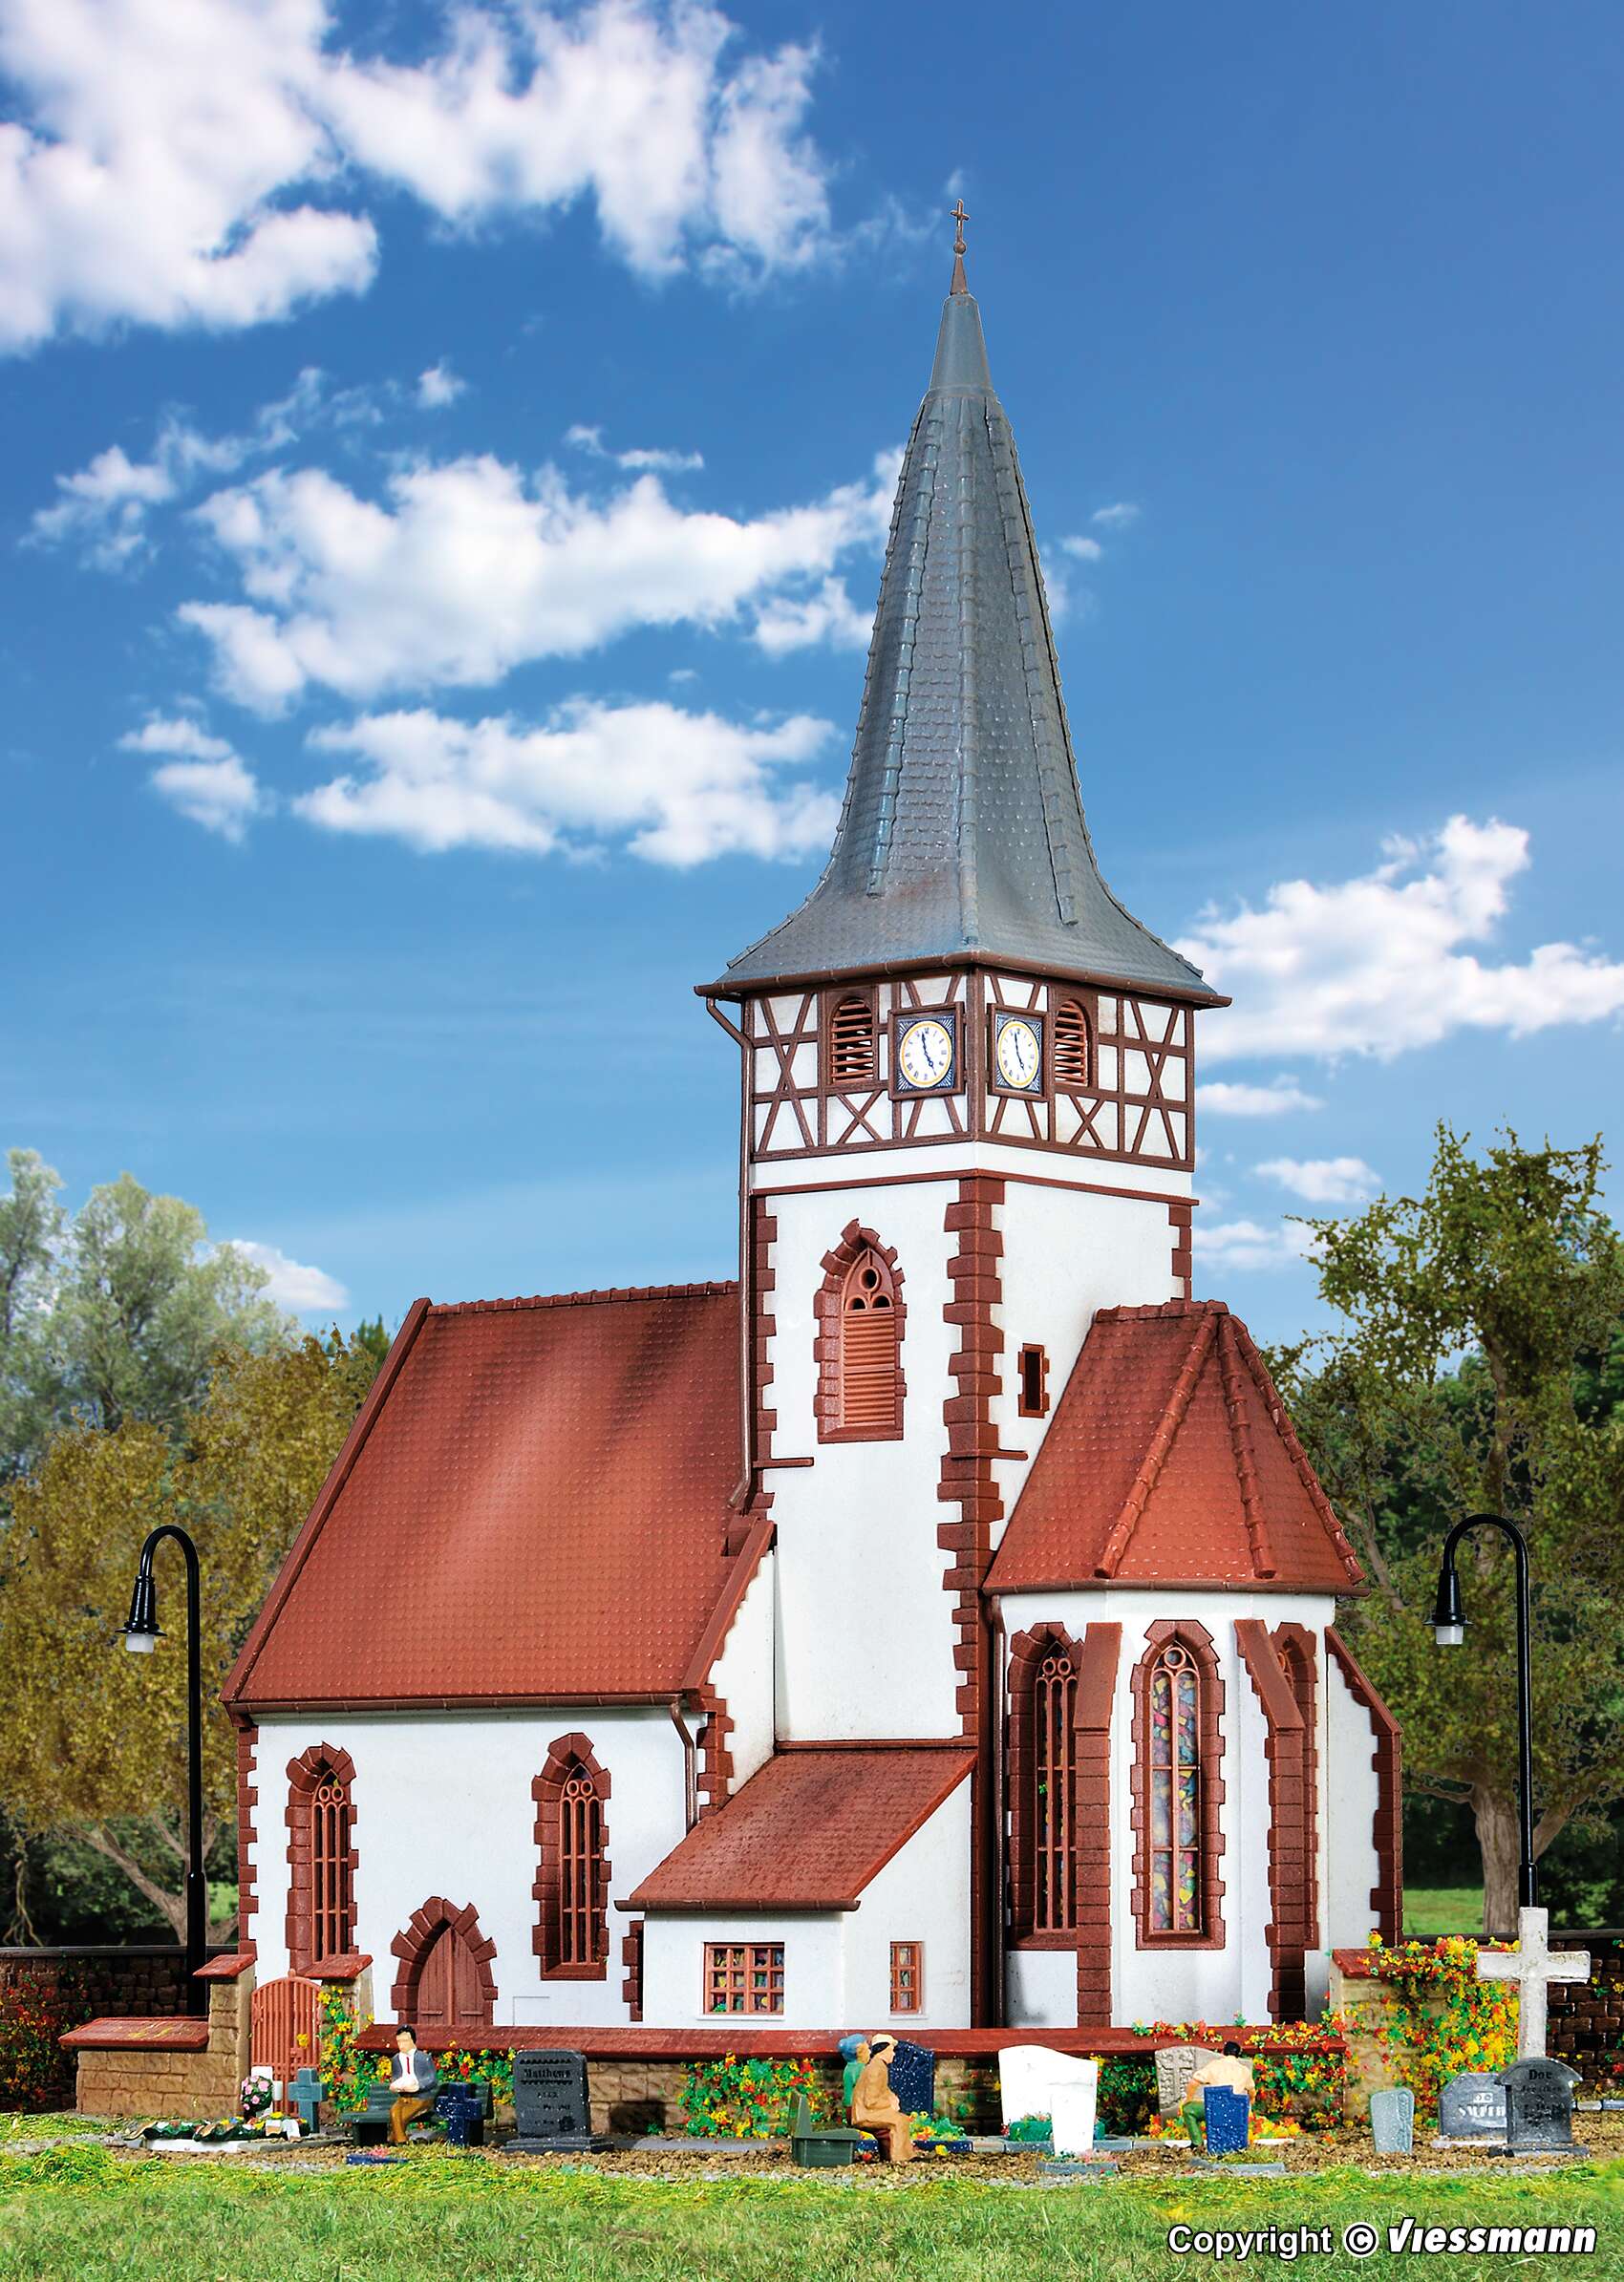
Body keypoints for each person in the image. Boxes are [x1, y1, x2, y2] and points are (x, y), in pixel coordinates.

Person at [850, 2033, 915, 2164]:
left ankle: (903, 2155)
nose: (893, 2054)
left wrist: (891, 2096)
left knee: (900, 2118)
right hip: (864, 2113)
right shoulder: (876, 2069)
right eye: (891, 2050)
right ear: (883, 2051)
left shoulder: (878, 2066)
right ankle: (900, 2157)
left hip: (868, 2110)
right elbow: (870, 2100)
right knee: (899, 2120)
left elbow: (882, 2090)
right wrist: (890, 2103)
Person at [1179, 2041, 1253, 2147]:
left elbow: (1193, 2083)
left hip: (1216, 2109)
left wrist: (1189, 2099)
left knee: (1188, 2109)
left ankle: (1197, 2143)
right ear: (1238, 2055)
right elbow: (1252, 2091)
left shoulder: (1214, 2065)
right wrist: (1250, 2103)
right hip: (1236, 2111)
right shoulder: (1244, 2070)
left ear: (1223, 2052)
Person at [388, 2025, 438, 2144]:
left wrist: (419, 2086)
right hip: (403, 2097)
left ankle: (400, 2141)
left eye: (405, 2041)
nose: (401, 2044)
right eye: (399, 2041)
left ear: (413, 2041)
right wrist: (396, 2085)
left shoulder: (424, 2059)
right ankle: (398, 2139)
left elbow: (432, 2080)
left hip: (421, 2098)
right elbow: (396, 2076)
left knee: (403, 2117)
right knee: (394, 2111)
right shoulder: (396, 2059)